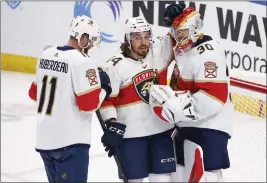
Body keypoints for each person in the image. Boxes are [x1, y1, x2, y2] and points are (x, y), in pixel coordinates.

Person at [149, 5, 234, 182]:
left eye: (181, 32)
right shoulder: (185, 47)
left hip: (211, 125)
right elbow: (159, 53)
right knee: (182, 173)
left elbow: (214, 97)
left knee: (209, 174)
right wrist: (177, 17)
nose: (177, 36)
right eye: (174, 31)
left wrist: (176, 106)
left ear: (194, 29)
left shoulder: (208, 54)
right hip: (189, 124)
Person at [28, 15, 112, 183]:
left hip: (45, 142)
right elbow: (88, 105)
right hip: (70, 144)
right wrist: (103, 88)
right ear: (84, 38)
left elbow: (33, 93)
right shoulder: (82, 61)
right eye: (91, 41)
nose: (91, 46)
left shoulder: (46, 54)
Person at [99, 16, 179, 182]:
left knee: (163, 180)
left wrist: (178, 16)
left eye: (146, 36)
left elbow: (180, 34)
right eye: (137, 37)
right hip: (131, 136)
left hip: (161, 131)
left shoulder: (158, 51)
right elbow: (107, 100)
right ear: (127, 40)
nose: (143, 42)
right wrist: (112, 123)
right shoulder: (115, 66)